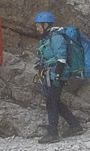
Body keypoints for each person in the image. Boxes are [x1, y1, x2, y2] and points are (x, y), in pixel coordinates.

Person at [33, 11, 83, 143]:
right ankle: (74, 125)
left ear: (46, 25)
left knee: (51, 102)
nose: (37, 29)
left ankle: (53, 133)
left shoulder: (56, 37)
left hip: (56, 74)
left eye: (38, 26)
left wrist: (57, 76)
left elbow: (61, 58)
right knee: (54, 101)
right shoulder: (47, 37)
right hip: (51, 73)